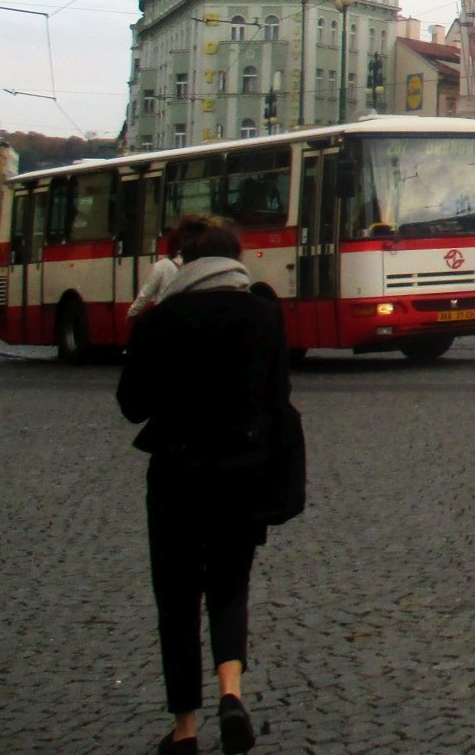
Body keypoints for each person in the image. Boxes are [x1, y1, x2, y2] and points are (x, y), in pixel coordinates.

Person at [117, 222, 290, 755]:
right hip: (244, 472)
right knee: (230, 586)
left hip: (178, 473)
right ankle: (231, 694)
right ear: (235, 259)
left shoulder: (161, 320)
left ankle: (186, 728)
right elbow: (278, 395)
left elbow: (133, 405)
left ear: (183, 262)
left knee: (177, 596)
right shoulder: (264, 314)